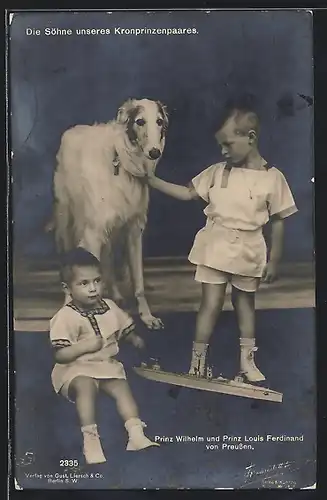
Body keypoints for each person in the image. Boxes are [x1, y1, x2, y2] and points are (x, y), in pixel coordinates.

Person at [147, 104, 298, 383]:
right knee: (210, 303)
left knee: (245, 304)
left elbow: (278, 220)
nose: (223, 152)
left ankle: (247, 363)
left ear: (250, 138)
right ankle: (197, 364)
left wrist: (275, 259)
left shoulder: (274, 179)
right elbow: (188, 192)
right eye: (220, 146)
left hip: (250, 251)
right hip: (215, 245)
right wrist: (152, 180)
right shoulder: (217, 172)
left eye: (228, 144)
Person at [49, 247, 159, 465]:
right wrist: (85, 347)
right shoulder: (65, 316)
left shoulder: (109, 307)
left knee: (122, 388)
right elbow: (61, 355)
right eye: (84, 283)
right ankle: (91, 440)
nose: (93, 289)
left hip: (106, 365)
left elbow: (124, 328)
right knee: (86, 387)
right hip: (75, 368)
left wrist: (134, 338)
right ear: (67, 288)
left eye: (97, 281)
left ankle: (135, 432)